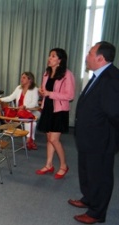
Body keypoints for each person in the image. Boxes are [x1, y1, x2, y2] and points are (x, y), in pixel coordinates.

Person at [68, 41, 119, 224]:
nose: (86, 57)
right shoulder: (99, 75)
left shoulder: (112, 79)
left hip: (101, 140)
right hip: (88, 138)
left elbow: (115, 114)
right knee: (87, 171)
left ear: (100, 58)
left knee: (100, 176)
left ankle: (97, 212)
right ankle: (88, 199)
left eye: (90, 53)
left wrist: (112, 140)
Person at [36, 48, 75, 179]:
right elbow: (45, 91)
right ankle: (49, 165)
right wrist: (42, 92)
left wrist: (49, 93)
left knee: (54, 139)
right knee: (49, 139)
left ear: (60, 60)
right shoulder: (46, 73)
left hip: (59, 110)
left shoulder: (67, 74)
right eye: (49, 56)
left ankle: (64, 165)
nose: (49, 58)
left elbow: (69, 95)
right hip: (47, 108)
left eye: (53, 56)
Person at [0, 72, 40, 150]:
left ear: (30, 80)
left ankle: (29, 140)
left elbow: (34, 103)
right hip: (20, 112)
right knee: (27, 119)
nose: (21, 79)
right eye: (21, 77)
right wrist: (0, 99)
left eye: (24, 77)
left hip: (32, 111)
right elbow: (11, 97)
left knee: (29, 121)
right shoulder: (19, 88)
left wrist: (25, 107)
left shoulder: (34, 89)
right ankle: (30, 141)